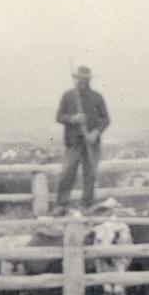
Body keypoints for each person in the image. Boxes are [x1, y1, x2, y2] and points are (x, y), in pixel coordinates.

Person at [55, 66, 109, 213]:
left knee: (90, 174)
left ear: (89, 80)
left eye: (85, 79)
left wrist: (96, 133)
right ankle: (61, 205)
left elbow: (106, 119)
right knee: (67, 173)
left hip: (91, 143)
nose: (83, 82)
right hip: (73, 143)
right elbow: (59, 116)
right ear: (76, 79)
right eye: (80, 79)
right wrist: (73, 119)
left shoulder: (97, 97)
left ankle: (86, 205)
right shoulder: (68, 96)